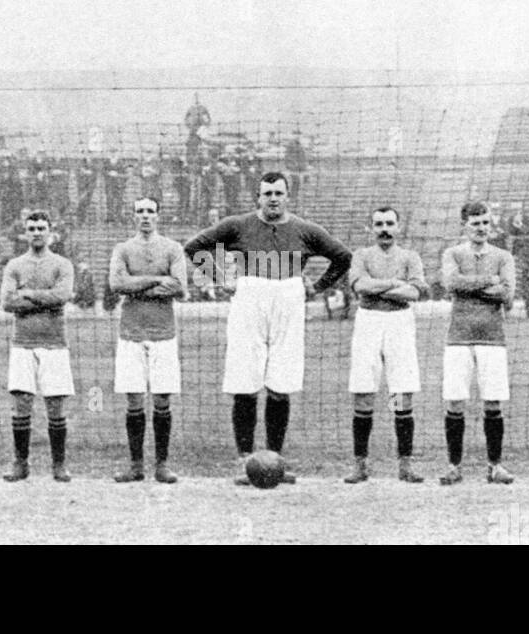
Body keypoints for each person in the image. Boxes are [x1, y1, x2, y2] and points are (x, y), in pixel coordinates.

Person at [183, 172, 352, 485]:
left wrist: (317, 286)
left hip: (289, 299)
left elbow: (342, 257)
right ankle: (245, 460)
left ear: (288, 196)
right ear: (257, 197)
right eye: (267, 193)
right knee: (245, 381)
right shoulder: (238, 225)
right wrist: (221, 279)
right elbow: (195, 247)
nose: (273, 198)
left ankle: (274, 460)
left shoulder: (305, 230)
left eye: (278, 193)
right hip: (250, 299)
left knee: (280, 383)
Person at [343, 206, 428, 484]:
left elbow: (415, 291)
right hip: (368, 322)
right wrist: (394, 284)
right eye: (378, 224)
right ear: (371, 228)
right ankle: (360, 465)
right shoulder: (361, 255)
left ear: (399, 226)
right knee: (364, 391)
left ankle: (405, 465)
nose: (384, 229)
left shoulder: (410, 257)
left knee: (401, 393)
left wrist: (377, 285)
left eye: (390, 223)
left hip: (400, 323)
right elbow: (360, 288)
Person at [438, 202, 517, 485]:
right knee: (455, 401)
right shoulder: (453, 253)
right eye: (475, 223)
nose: (481, 228)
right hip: (458, 337)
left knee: (493, 402)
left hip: (492, 338)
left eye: (485, 222)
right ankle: (453, 466)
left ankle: (495, 466)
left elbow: (507, 295)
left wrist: (470, 286)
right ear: (464, 226)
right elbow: (450, 283)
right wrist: (488, 281)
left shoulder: (503, 256)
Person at [109, 197, 187, 484]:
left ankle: (162, 465)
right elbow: (116, 284)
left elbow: (180, 287)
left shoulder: (172, 248)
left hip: (163, 333)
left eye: (150, 211)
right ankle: (136, 464)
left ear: (158, 216)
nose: (145, 216)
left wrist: (136, 284)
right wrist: (157, 281)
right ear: (133, 216)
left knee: (163, 399)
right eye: (140, 211)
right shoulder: (123, 249)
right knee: (133, 400)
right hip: (131, 333)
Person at [0, 211, 77, 482]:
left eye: (41, 228)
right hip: (22, 343)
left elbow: (62, 296)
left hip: (54, 342)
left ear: (50, 231)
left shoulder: (62, 264)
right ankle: (20, 463)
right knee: (21, 403)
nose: (36, 232)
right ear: (25, 232)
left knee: (55, 405)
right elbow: (7, 302)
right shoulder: (15, 265)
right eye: (31, 228)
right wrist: (45, 299)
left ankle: (59, 465)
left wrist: (28, 294)